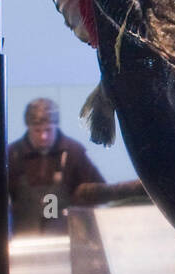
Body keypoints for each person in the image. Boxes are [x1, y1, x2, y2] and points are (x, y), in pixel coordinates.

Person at [6, 98, 105, 235]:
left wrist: (81, 218)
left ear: (56, 126)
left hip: (67, 238)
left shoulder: (74, 152)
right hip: (23, 240)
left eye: (48, 130)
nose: (43, 136)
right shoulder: (12, 154)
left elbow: (98, 192)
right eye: (37, 130)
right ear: (28, 127)